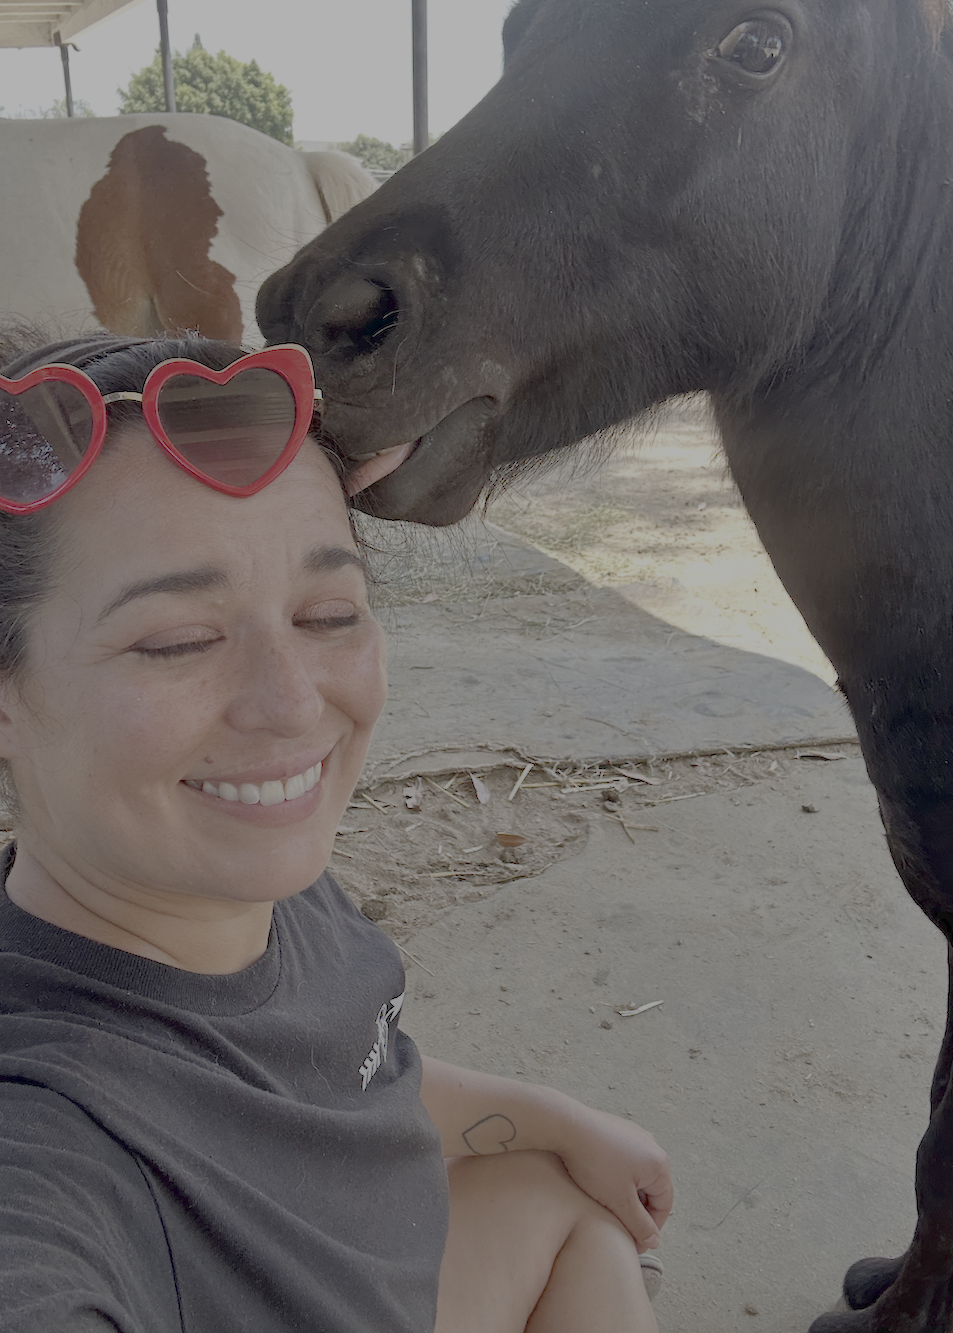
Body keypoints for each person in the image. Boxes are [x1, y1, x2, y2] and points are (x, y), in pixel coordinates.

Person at [0, 330, 672, 1333]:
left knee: (560, 1199)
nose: (291, 704)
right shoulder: (47, 1142)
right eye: (178, 640)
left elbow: (340, 1078)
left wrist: (555, 1120)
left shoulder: (246, 878)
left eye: (326, 615)